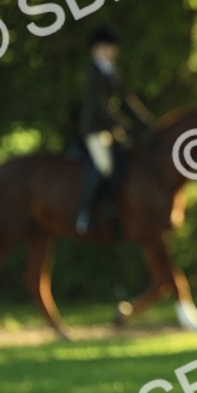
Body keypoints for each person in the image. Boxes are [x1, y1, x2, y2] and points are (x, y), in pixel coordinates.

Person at [75, 25, 155, 235]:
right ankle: (84, 214)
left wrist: (147, 121)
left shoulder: (112, 71)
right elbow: (99, 105)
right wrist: (120, 123)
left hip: (111, 128)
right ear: (100, 48)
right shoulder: (92, 73)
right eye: (111, 47)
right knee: (105, 167)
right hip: (94, 129)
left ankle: (115, 208)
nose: (114, 51)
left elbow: (127, 99)